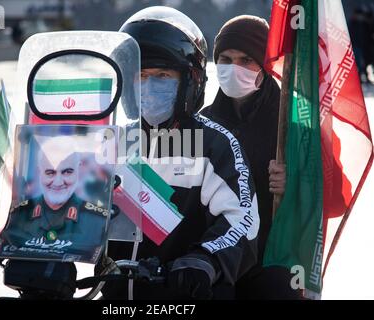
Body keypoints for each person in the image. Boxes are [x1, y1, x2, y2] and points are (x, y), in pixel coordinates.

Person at [98, 6, 259, 300]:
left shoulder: (213, 144)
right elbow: (75, 202)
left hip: (188, 293)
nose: (149, 85)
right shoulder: (113, 143)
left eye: (162, 74)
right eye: (141, 75)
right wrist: (22, 227)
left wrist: (204, 260)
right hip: (115, 296)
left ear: (190, 81)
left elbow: (242, 219)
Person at [200, 15, 301, 299]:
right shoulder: (203, 123)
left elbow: (335, 197)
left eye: (247, 60)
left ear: (265, 65)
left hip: (274, 265)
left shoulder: (292, 125)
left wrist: (296, 181)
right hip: (218, 265)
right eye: (226, 58)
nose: (235, 68)